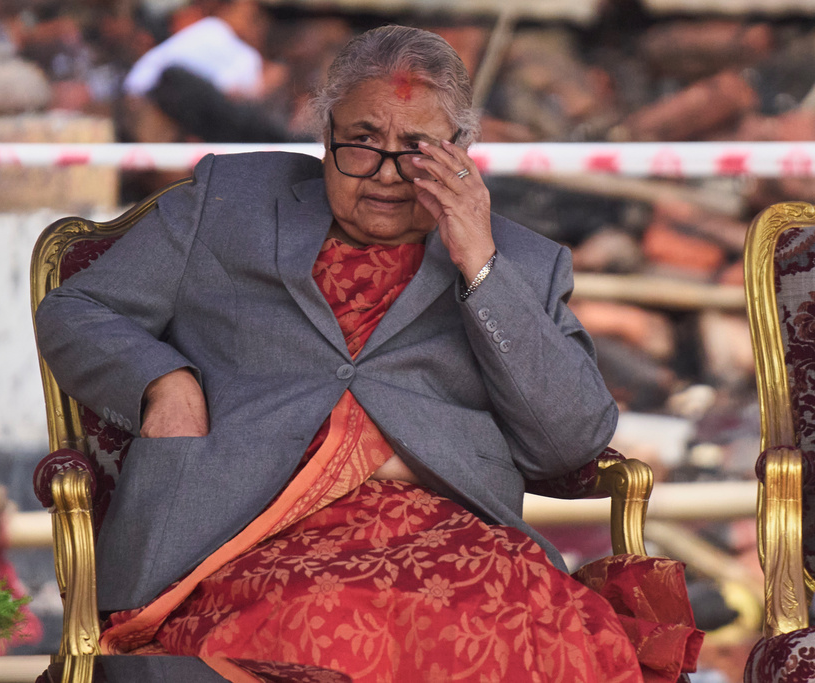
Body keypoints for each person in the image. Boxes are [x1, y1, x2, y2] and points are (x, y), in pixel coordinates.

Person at [36, 25, 701, 682]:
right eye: (360, 142)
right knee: (324, 622)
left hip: (460, 543)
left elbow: (571, 440)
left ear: (462, 147)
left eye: (416, 149)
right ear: (323, 138)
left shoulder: (519, 260)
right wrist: (164, 381)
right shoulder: (226, 204)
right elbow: (77, 309)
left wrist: (479, 264)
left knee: (508, 633)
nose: (385, 175)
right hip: (250, 531)